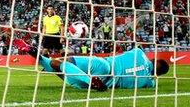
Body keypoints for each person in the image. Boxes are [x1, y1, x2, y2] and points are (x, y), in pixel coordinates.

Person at [14, 39, 169, 91]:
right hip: (107, 82)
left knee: (60, 63)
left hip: (103, 65)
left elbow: (137, 47)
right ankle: (38, 55)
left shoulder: (139, 53)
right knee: (59, 68)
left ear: (153, 60)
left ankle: (35, 52)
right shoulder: (149, 82)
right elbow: (153, 79)